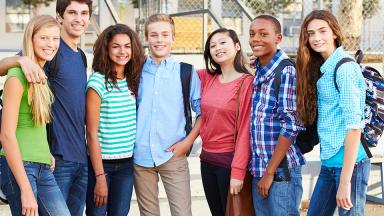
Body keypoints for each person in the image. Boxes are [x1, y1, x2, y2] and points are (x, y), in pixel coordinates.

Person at [0, 1, 92, 215]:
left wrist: (44, 151)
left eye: (54, 39)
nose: (51, 43)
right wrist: (21, 59)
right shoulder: (21, 73)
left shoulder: (47, 74)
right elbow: (6, 135)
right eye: (44, 38)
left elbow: (40, 119)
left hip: (46, 162)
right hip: (26, 164)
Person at [296, 10, 369, 216]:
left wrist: (345, 182)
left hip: (350, 167)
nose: (316, 38)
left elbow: (354, 127)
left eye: (322, 31)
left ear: (334, 33)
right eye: (311, 33)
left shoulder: (344, 68)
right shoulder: (324, 68)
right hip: (329, 163)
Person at [133, 13, 201, 216]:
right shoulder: (135, 71)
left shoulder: (185, 72)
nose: (159, 40)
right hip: (140, 155)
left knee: (182, 213)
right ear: (146, 39)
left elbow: (202, 112)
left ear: (173, 38)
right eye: (154, 35)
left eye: (164, 34)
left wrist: (187, 143)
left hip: (173, 154)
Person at [85, 24, 145, 216]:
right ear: (106, 49)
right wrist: (100, 177)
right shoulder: (97, 83)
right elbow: (91, 134)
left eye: (127, 46)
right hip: (101, 165)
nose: (122, 51)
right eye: (116, 46)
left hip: (127, 165)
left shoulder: (132, 80)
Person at [249, 15, 305, 216]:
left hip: (279, 171)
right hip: (259, 168)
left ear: (278, 38)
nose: (256, 39)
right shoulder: (260, 69)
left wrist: (270, 172)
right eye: (252, 34)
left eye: (264, 34)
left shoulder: (285, 70)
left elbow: (291, 124)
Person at [197, 28, 253, 216]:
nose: (217, 48)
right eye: (213, 45)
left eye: (223, 43)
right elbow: (177, 73)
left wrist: (237, 172)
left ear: (237, 46)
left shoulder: (247, 82)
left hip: (228, 162)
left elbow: (245, 129)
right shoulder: (207, 77)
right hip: (206, 160)